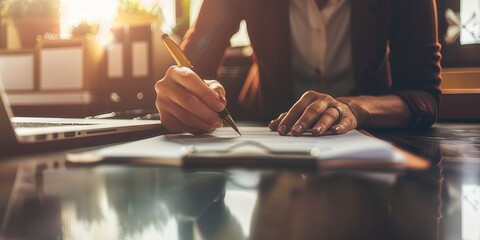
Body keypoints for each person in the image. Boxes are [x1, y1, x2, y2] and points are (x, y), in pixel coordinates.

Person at [155, 0, 442, 136]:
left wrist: (355, 108)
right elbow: (193, 65)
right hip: (268, 141)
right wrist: (184, 94)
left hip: (373, 146)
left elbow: (423, 95)